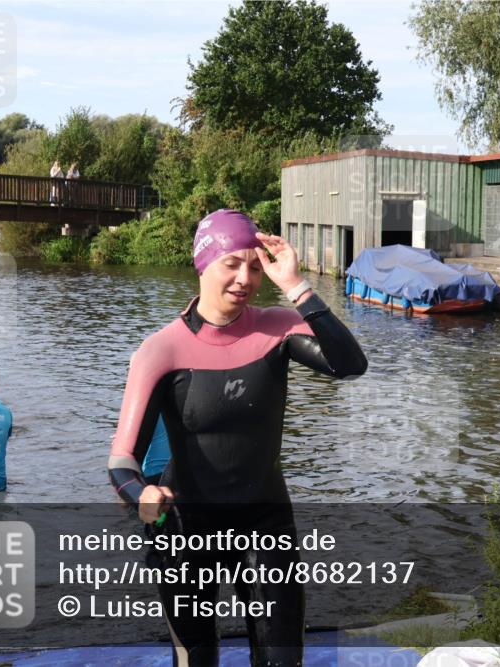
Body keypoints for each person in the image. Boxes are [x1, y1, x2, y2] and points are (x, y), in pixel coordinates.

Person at [107, 209, 367, 667]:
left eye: (253, 266)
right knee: (197, 658)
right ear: (203, 263)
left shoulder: (277, 328)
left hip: (266, 522)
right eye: (232, 264)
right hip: (186, 526)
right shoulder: (160, 350)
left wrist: (296, 286)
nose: (245, 278)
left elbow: (349, 363)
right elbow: (122, 459)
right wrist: (142, 492)